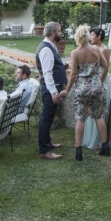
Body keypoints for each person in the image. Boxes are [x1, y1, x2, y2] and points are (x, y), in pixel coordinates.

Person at [60, 25, 110, 161]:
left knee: (80, 118)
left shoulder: (76, 53)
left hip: (82, 88)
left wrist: (67, 89)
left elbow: (74, 74)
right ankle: (105, 147)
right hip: (96, 86)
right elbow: (105, 66)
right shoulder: (96, 49)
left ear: (77, 37)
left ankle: (78, 151)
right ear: (88, 36)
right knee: (98, 116)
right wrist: (96, 77)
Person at [34, 22, 65, 160]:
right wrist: (53, 92)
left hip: (50, 87)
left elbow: (50, 67)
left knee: (48, 118)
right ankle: (44, 151)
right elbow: (47, 73)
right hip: (49, 89)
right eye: (59, 31)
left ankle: (48, 143)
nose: (60, 33)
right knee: (46, 119)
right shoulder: (46, 49)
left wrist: (62, 66)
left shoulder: (49, 46)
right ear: (53, 33)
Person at [81, 28, 111, 150]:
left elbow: (105, 68)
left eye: (92, 35)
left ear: (99, 36)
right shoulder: (92, 49)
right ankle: (89, 138)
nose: (90, 38)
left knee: (99, 111)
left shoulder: (104, 50)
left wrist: (99, 84)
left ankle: (99, 140)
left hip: (101, 81)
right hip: (92, 80)